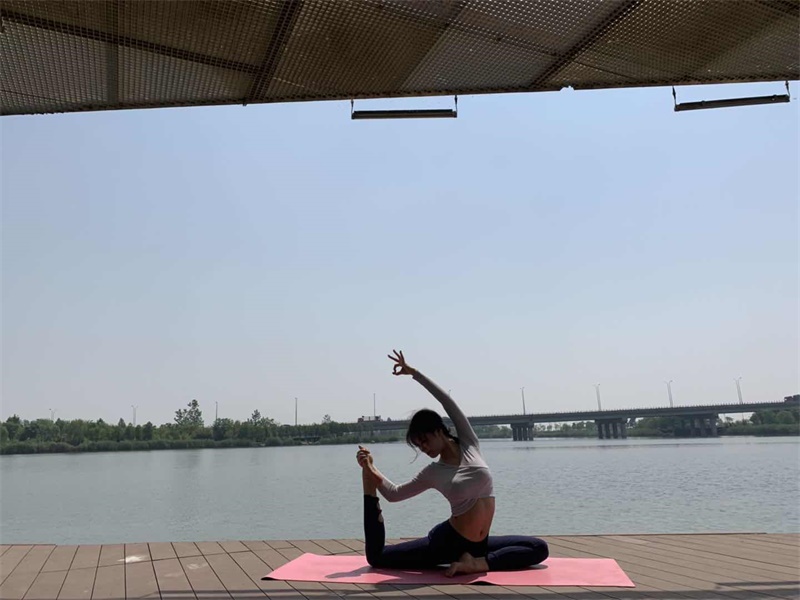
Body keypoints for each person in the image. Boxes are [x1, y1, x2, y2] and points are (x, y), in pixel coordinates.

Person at [357, 350, 548, 576]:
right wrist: (371, 469)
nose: (423, 448)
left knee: (538, 548)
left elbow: (446, 401)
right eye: (419, 445)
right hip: (447, 543)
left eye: (425, 441)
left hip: (479, 545)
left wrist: (415, 374)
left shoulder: (469, 443)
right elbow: (394, 494)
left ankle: (478, 563)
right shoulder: (433, 472)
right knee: (378, 558)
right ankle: (368, 487)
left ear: (439, 431)